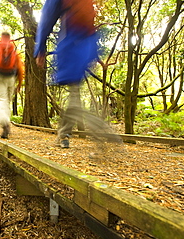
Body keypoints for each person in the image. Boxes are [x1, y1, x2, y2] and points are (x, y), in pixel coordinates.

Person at [34, 0, 121, 148]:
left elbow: (48, 17)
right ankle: (80, 131)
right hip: (80, 44)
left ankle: (71, 133)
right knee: (75, 90)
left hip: (74, 44)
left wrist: (40, 47)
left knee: (75, 90)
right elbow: (48, 15)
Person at [0, 32, 24, 139]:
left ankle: (4, 122)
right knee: (7, 101)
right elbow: (20, 69)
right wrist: (19, 83)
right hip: (11, 78)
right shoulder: (14, 51)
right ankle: (6, 121)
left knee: (1, 100)